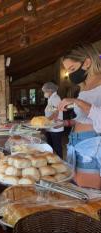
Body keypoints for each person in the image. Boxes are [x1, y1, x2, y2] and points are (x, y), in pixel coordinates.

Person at [58, 44, 101, 189]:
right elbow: (82, 119)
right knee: (75, 185)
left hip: (92, 144)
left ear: (87, 62)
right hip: (75, 142)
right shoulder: (84, 87)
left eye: (72, 69)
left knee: (88, 193)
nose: (70, 75)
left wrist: (77, 101)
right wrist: (64, 123)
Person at [42, 82, 64, 158]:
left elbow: (56, 113)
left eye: (45, 91)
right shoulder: (50, 98)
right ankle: (53, 161)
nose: (44, 93)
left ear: (50, 90)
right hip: (50, 127)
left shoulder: (55, 98)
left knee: (57, 147)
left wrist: (45, 120)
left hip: (56, 127)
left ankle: (60, 162)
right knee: (51, 147)